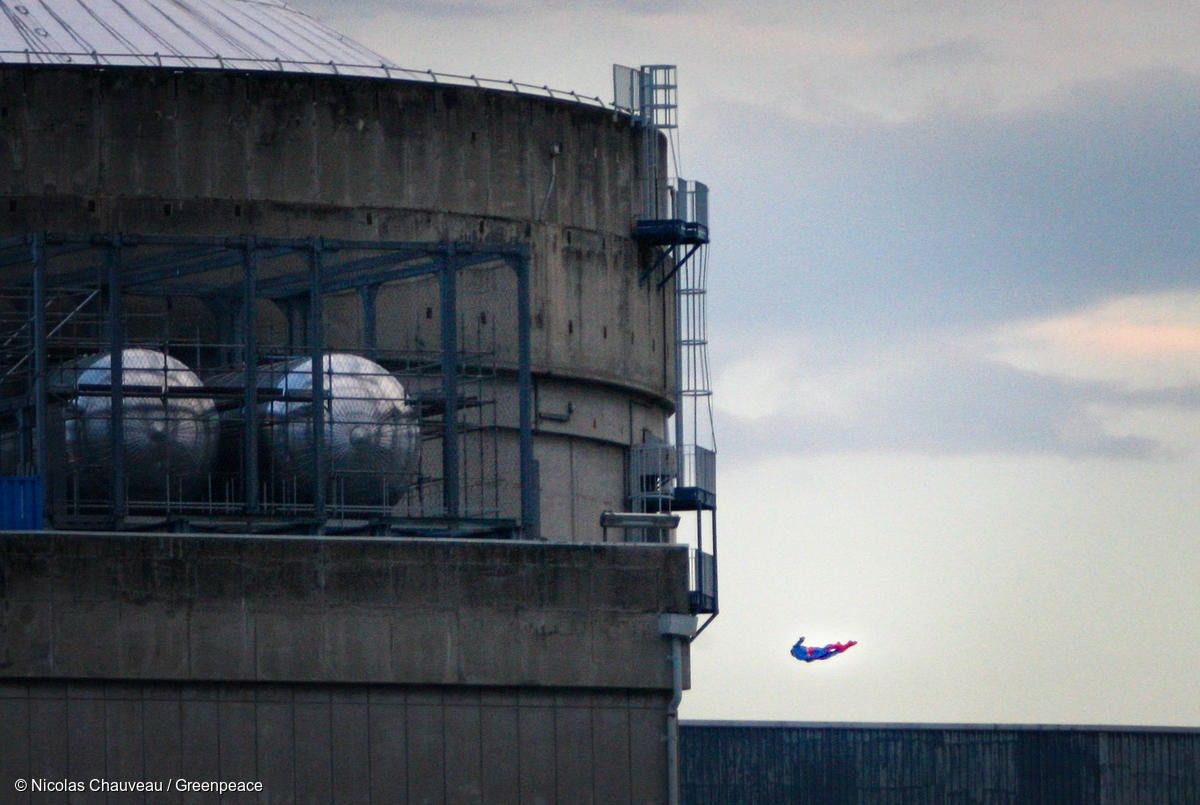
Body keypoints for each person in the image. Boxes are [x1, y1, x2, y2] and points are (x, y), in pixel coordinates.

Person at [790, 636, 857, 662]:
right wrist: (801, 640)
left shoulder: (797, 654)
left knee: (831, 652)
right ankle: (841, 645)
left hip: (817, 656)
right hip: (814, 652)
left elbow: (808, 660)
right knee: (826, 650)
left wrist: (801, 640)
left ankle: (846, 645)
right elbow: (799, 643)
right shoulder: (795, 649)